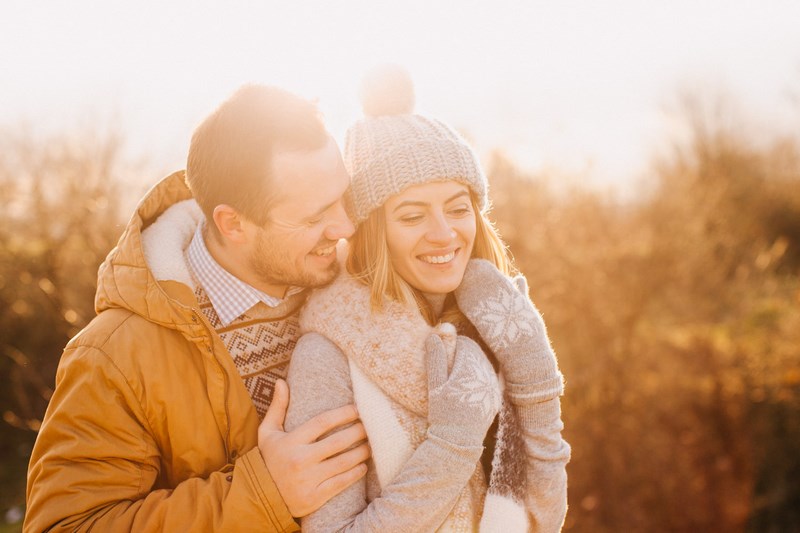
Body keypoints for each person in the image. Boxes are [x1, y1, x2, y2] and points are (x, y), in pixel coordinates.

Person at [24, 85, 371, 532]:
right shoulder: (114, 357)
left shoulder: (366, 289)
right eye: (314, 217)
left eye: (343, 198)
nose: (344, 228)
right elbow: (65, 526)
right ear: (233, 224)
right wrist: (265, 494)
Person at [285, 67, 571, 532]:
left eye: (458, 208)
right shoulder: (328, 357)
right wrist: (453, 445)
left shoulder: (494, 323)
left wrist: (536, 385)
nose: (445, 234)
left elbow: (544, 518)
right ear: (373, 231)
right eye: (413, 215)